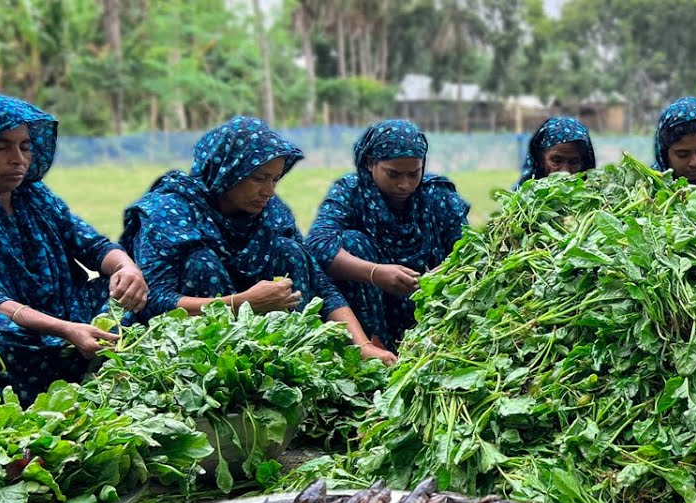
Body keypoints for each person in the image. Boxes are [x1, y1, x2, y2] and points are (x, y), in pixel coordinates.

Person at [121, 116, 395, 364]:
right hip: (193, 347)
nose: (269, 191)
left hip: (262, 332)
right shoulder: (168, 210)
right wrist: (240, 303)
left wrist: (362, 346)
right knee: (201, 262)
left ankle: (289, 361)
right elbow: (154, 301)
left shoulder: (270, 211)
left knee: (291, 251)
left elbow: (320, 284)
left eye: (275, 179)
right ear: (229, 171)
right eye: (259, 178)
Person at [0, 95, 149, 403]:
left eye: (25, 146)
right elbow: (2, 305)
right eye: (2, 147)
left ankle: (96, 372)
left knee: (125, 291)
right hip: (20, 328)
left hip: (66, 312)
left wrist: (127, 268)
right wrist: (65, 330)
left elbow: (93, 245)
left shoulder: (35, 196)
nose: (18, 159)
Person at [306, 119, 469, 350]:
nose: (405, 184)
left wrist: (436, 277)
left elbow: (467, 250)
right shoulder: (351, 192)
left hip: (430, 304)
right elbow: (317, 244)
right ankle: (369, 346)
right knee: (352, 242)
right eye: (393, 174)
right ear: (370, 163)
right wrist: (375, 273)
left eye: (414, 173)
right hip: (371, 301)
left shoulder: (437, 194)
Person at [516, 116, 596, 186]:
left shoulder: (594, 195)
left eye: (574, 162)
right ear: (541, 159)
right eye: (556, 161)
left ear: (583, 162)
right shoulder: (523, 196)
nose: (565, 172)